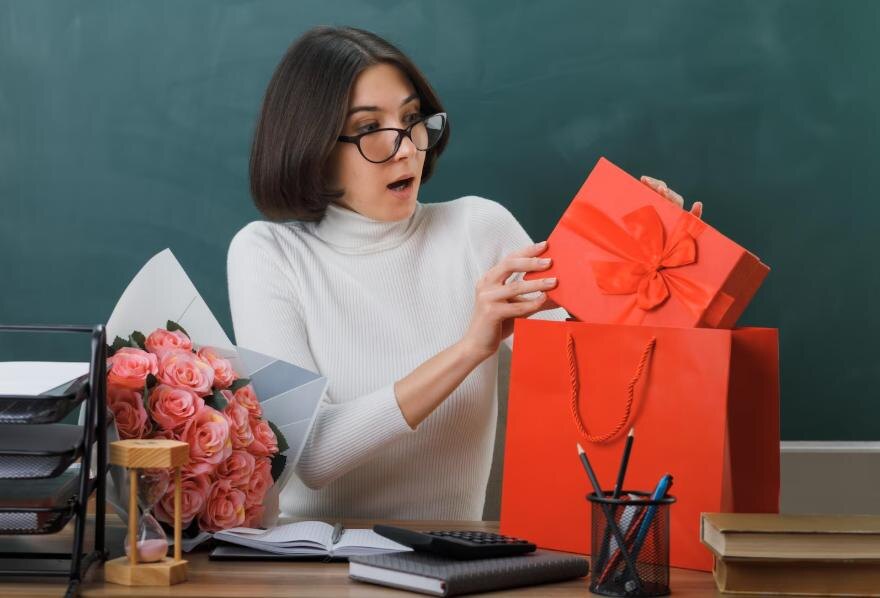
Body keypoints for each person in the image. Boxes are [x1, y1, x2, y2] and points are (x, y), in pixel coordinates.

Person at [227, 26, 701, 520]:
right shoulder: (267, 253)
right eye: (370, 129)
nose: (408, 148)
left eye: (412, 119)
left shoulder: (479, 229)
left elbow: (600, 392)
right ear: (314, 146)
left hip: (451, 566)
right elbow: (315, 456)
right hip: (313, 570)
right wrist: (470, 349)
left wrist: (652, 277)